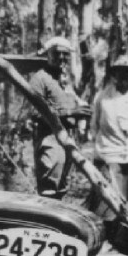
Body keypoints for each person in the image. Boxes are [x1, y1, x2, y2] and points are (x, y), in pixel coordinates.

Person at [89, 56, 128, 215]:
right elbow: (94, 126)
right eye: (119, 72)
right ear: (114, 75)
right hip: (110, 154)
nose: (124, 76)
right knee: (108, 204)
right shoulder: (103, 97)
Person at [29, 37, 90, 199]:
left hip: (67, 138)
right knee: (49, 189)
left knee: (62, 187)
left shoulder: (64, 81)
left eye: (65, 54)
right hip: (50, 139)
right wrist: (70, 112)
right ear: (47, 54)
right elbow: (35, 113)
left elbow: (72, 106)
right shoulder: (39, 78)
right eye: (57, 53)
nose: (62, 57)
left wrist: (81, 112)